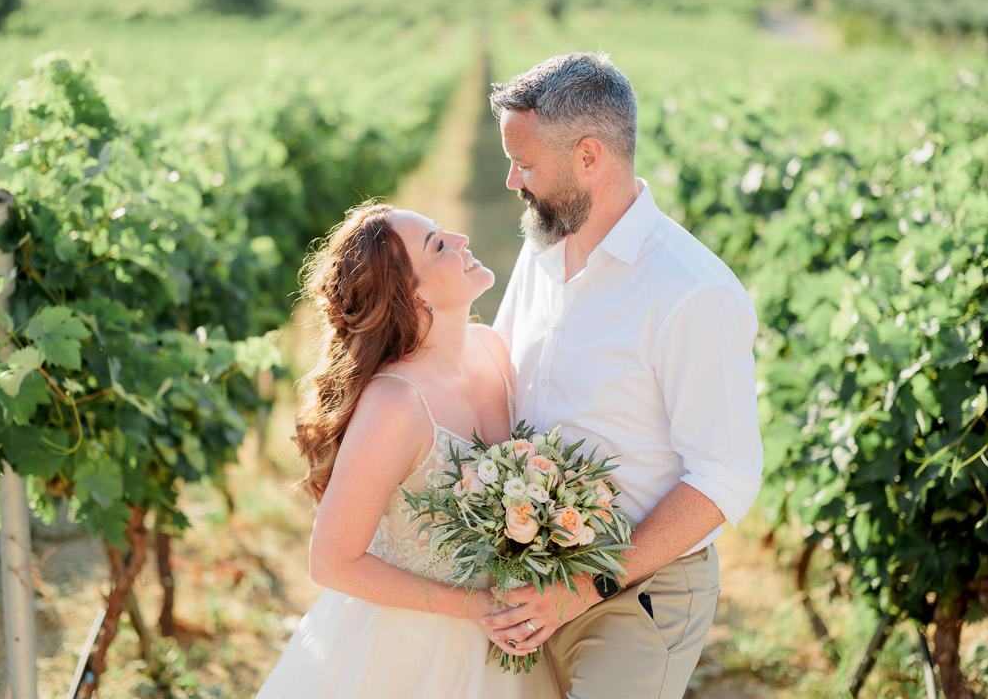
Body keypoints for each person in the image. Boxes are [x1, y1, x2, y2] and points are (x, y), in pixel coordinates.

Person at [483, 52, 764, 698]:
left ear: (589, 157)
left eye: (525, 165)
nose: (510, 181)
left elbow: (725, 476)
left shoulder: (691, 292)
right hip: (528, 581)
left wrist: (581, 586)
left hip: (636, 591)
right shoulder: (542, 248)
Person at [255, 202, 558, 699]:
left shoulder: (492, 350)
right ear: (412, 297)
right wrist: (473, 607)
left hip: (506, 644)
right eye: (437, 244)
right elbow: (331, 562)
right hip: (408, 651)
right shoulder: (396, 404)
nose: (461, 238)